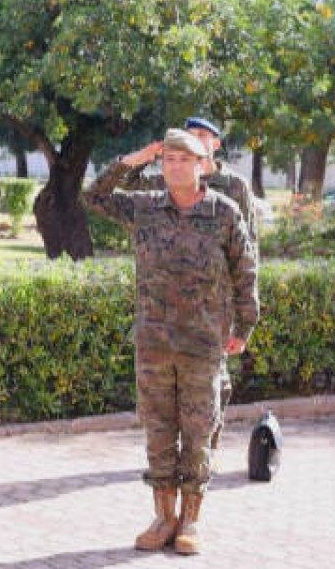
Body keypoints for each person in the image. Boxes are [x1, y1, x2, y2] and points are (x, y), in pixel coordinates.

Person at [85, 129, 259, 555]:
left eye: (185, 160)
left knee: (198, 434)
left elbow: (246, 272)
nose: (176, 167)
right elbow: (93, 196)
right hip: (155, 343)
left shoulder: (224, 212)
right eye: (169, 160)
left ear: (203, 166)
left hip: (203, 344)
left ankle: (191, 521)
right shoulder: (144, 207)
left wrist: (243, 328)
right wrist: (135, 158)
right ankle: (163, 517)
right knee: (159, 434)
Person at [116, 116, 259, 453]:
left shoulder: (233, 187)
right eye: (187, 135)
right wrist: (146, 156)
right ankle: (185, 455)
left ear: (214, 145)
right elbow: (126, 185)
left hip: (215, 305)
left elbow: (248, 249)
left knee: (213, 385)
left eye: (201, 136)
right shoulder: (168, 180)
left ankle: (203, 449)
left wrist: (243, 312)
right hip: (169, 310)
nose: (193, 139)